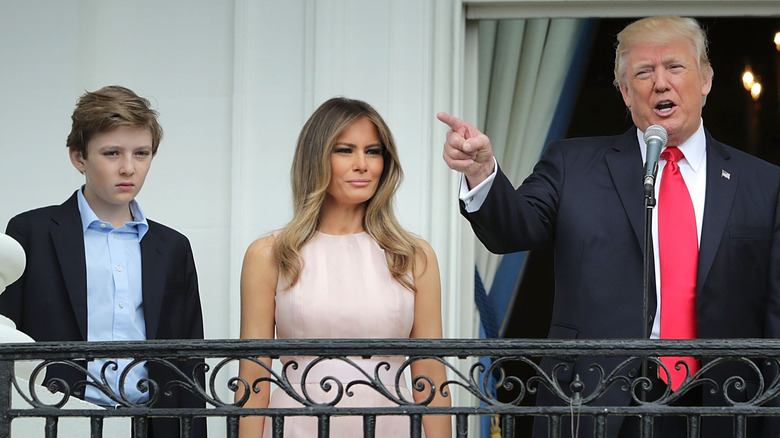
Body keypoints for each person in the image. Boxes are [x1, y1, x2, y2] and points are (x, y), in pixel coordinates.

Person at [439, 16, 780, 438]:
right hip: (594, 400)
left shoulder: (764, 183)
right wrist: (482, 172)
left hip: (720, 404)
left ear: (706, 79)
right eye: (643, 72)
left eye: (674, 67)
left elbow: (773, 311)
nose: (660, 83)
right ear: (624, 91)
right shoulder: (572, 164)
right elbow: (513, 229)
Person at [0, 85, 207, 438]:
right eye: (112, 153)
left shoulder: (172, 246)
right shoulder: (29, 233)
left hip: (152, 425)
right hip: (56, 422)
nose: (129, 168)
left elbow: (189, 360)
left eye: (141, 153)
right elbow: (6, 341)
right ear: (79, 157)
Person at [238, 97, 451, 437]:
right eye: (344, 150)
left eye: (373, 151)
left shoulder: (413, 255)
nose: (362, 164)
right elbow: (253, 378)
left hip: (392, 427)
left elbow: (431, 378)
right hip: (296, 428)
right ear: (316, 159)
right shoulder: (270, 254)